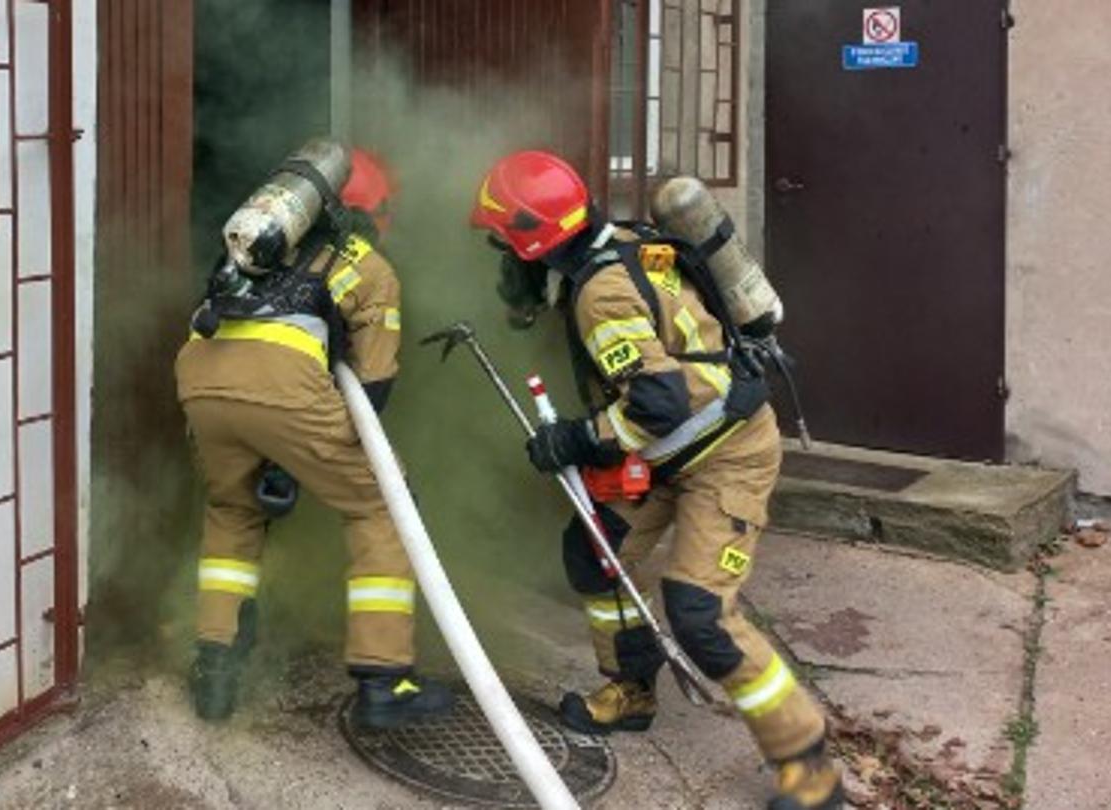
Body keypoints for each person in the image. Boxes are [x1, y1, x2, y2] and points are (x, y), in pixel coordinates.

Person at [469, 150, 843, 810]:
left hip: (725, 452)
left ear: (531, 238)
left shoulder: (599, 291)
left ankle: (808, 763)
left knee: (700, 613)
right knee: (594, 555)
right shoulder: (622, 248)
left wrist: (576, 440)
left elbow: (659, 402)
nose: (499, 252)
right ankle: (631, 689)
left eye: (502, 240)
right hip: (666, 454)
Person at [175, 147, 453, 729]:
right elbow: (373, 387)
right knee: (382, 503)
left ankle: (215, 671)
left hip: (199, 378)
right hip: (285, 390)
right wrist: (307, 443)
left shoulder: (253, 251)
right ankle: (385, 681)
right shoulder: (367, 264)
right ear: (369, 212)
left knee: (233, 509)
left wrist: (285, 455)